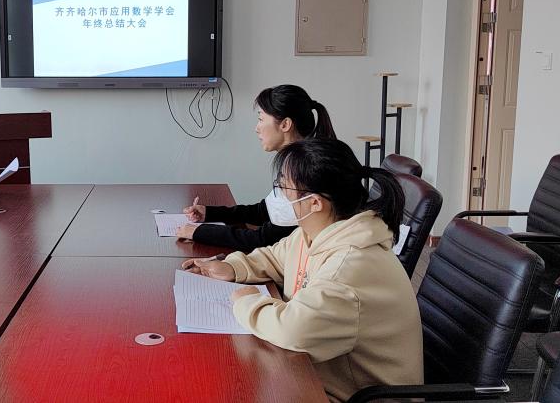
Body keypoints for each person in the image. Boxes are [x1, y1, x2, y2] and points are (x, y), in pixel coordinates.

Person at [181, 138, 422, 402]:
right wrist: (231, 267)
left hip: (354, 396)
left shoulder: (349, 269)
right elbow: (276, 256)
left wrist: (246, 301)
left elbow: (293, 330)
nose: (282, 195)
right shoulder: (319, 232)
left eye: (285, 186)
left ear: (315, 202)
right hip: (319, 377)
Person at [178, 84, 336, 251]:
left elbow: (265, 241)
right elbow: (265, 211)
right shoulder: (294, 161)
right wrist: (209, 213)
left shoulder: (303, 170)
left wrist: (199, 232)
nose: (256, 128)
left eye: (261, 119)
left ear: (285, 125)